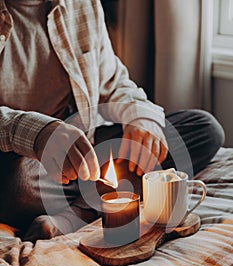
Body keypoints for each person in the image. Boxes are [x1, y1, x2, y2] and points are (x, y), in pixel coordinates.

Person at [0, 0, 225, 242]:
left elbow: (114, 82)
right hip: (25, 164)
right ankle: (95, 202)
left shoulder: (82, 4)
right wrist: (36, 133)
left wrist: (140, 118)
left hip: (86, 152)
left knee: (202, 129)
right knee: (13, 182)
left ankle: (74, 216)